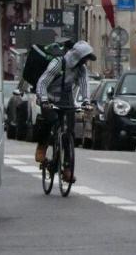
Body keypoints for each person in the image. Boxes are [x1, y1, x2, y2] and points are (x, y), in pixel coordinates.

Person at [34, 40, 96, 180]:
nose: (85, 62)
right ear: (77, 57)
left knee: (69, 132)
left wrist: (86, 101)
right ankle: (42, 147)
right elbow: (42, 82)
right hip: (48, 98)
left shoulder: (81, 69)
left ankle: (67, 168)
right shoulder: (58, 63)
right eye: (84, 58)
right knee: (51, 120)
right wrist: (43, 99)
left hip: (66, 100)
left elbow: (84, 84)